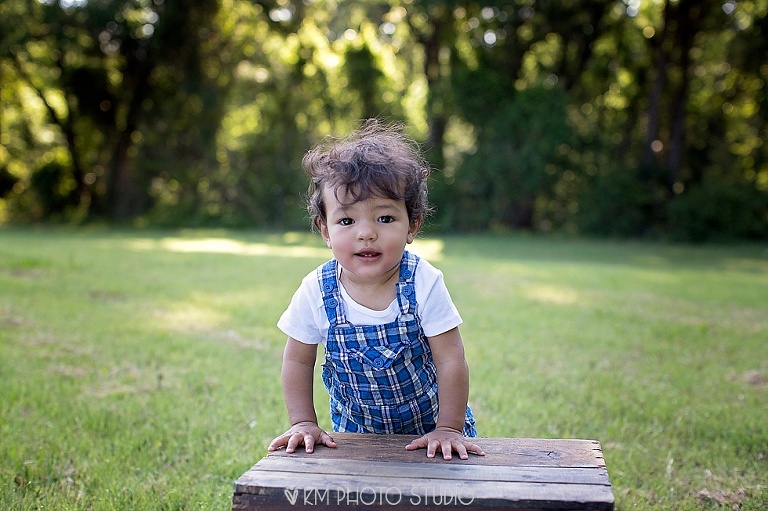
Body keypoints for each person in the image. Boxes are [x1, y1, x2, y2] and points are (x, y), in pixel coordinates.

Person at [268, 120, 484, 461]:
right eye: (346, 221)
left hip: (429, 435)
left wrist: (449, 429)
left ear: (412, 225)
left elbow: (450, 359)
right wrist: (304, 422)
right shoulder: (316, 291)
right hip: (355, 440)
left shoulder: (423, 282)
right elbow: (297, 359)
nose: (366, 233)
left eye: (384, 219)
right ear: (325, 230)